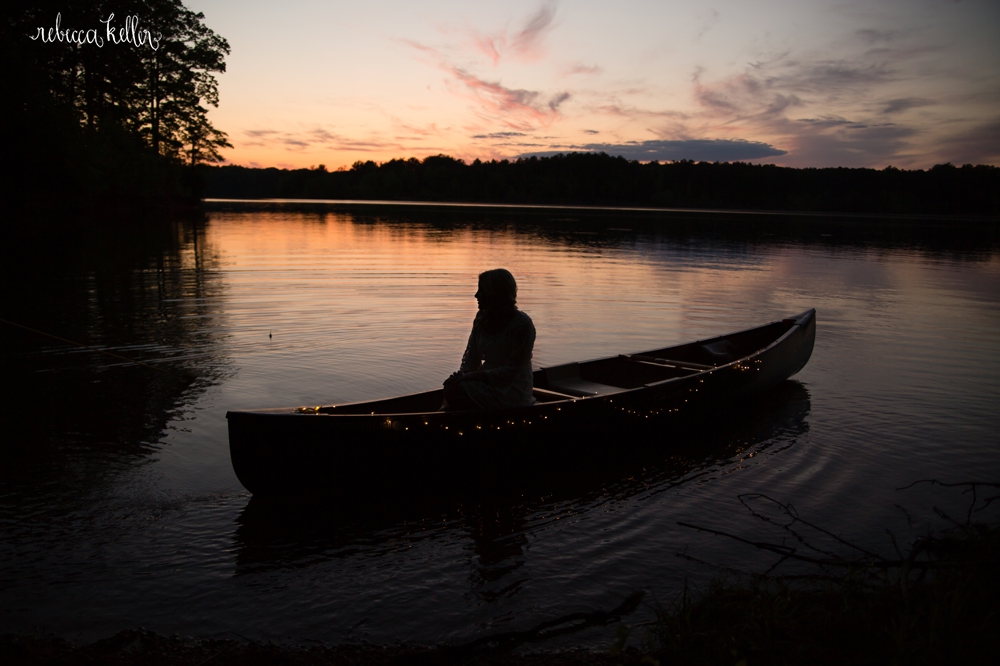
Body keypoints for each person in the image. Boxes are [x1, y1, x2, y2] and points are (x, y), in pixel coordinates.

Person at [441, 269, 536, 411]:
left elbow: (510, 372)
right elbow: (471, 358)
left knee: (457, 391)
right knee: (452, 386)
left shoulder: (522, 324)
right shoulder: (482, 318)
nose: (476, 295)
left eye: (481, 290)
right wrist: (463, 375)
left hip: (512, 390)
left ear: (495, 293)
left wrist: (473, 376)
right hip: (486, 382)